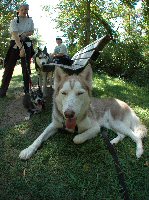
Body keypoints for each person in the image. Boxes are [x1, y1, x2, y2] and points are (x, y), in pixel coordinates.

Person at [0, 3, 35, 98]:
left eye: (26, 10)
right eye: (23, 9)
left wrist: (25, 34)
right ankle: (2, 91)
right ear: (19, 10)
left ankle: (27, 91)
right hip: (15, 44)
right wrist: (21, 48)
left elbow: (31, 31)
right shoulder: (14, 21)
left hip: (26, 43)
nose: (24, 11)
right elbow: (15, 35)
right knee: (9, 67)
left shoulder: (30, 20)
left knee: (26, 68)